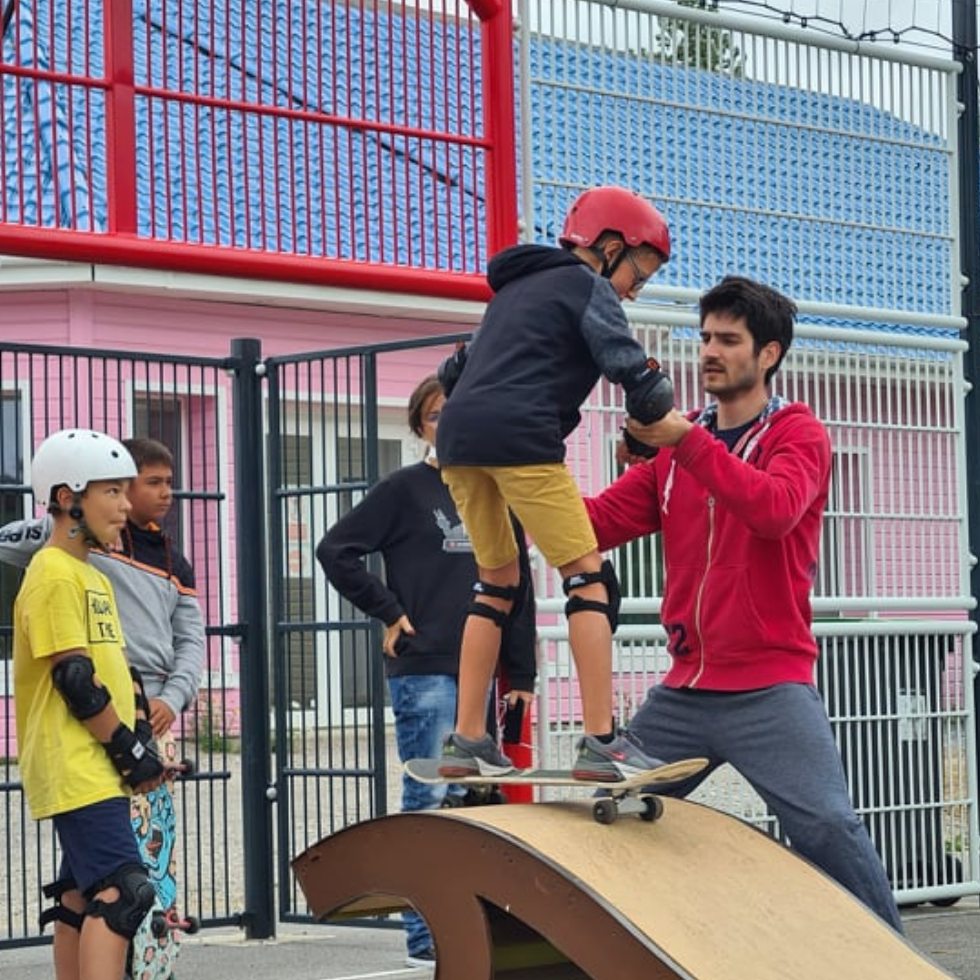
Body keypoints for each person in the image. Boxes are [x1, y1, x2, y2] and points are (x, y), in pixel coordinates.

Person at [584, 275, 903, 932]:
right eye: (704, 338)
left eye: (728, 340)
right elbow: (595, 524)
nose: (709, 351)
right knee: (606, 815)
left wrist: (684, 442)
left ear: (768, 355)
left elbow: (774, 511)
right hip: (684, 693)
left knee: (827, 827)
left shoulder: (797, 433)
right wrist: (518, 482)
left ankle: (899, 962)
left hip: (769, 687)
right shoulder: (678, 451)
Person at [434, 185, 673, 781]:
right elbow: (637, 376)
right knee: (588, 579)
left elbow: (451, 372)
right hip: (522, 438)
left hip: (458, 441)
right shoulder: (587, 286)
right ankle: (601, 742)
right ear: (610, 247)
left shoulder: (514, 291)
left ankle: (466, 740)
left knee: (496, 583)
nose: (633, 291)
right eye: (636, 275)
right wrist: (646, 425)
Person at [316, 374, 537, 969]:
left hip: (482, 677)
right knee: (430, 797)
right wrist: (388, 611)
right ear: (419, 425)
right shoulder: (405, 490)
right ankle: (424, 939)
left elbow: (518, 587)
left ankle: (475, 930)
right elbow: (335, 549)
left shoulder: (493, 489)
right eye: (435, 414)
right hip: (428, 670)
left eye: (456, 411)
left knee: (476, 805)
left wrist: (521, 675)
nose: (446, 422)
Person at [0, 436, 206, 972]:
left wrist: (140, 739)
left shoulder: (91, 573)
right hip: (78, 761)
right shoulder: (52, 573)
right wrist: (125, 748)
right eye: (112, 491)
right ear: (69, 499)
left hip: (96, 762)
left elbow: (115, 673)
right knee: (125, 891)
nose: (124, 504)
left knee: (79, 893)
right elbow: (75, 677)